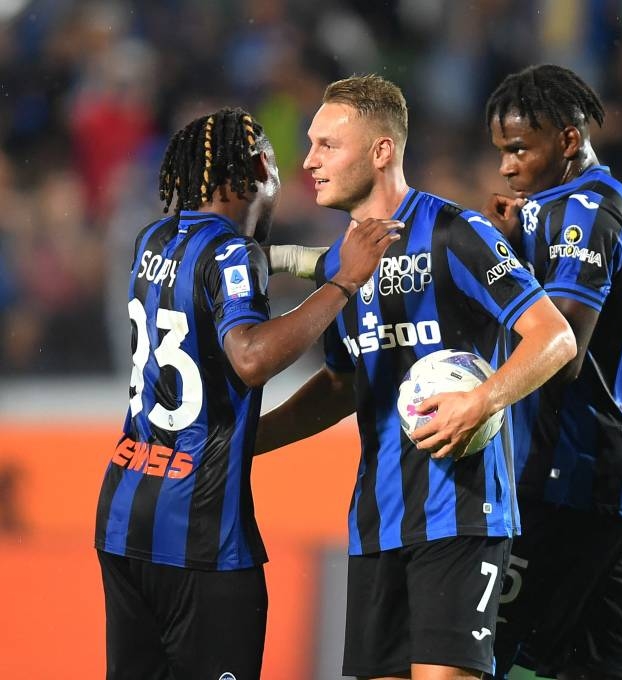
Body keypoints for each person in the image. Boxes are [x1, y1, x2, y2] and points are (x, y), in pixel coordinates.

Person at [255, 75, 576, 680]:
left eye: (327, 145)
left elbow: (554, 337)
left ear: (381, 151)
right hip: (376, 523)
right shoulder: (341, 266)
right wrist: (249, 441)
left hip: (462, 514)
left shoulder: (457, 234)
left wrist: (482, 401)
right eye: (312, 144)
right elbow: (342, 384)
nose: (309, 161)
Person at [94, 106, 402, 680]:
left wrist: (288, 262)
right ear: (260, 167)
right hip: (200, 533)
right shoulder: (232, 253)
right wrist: (344, 281)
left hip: (122, 516)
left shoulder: (152, 238)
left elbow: (210, 289)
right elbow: (251, 357)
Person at [480, 64, 622, 680]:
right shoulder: (587, 204)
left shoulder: (585, 211)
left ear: (567, 139)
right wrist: (517, 242)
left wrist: (496, 265)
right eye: (501, 151)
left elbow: (561, 353)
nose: (506, 167)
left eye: (519, 149)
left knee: (468, 659)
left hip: (568, 478)